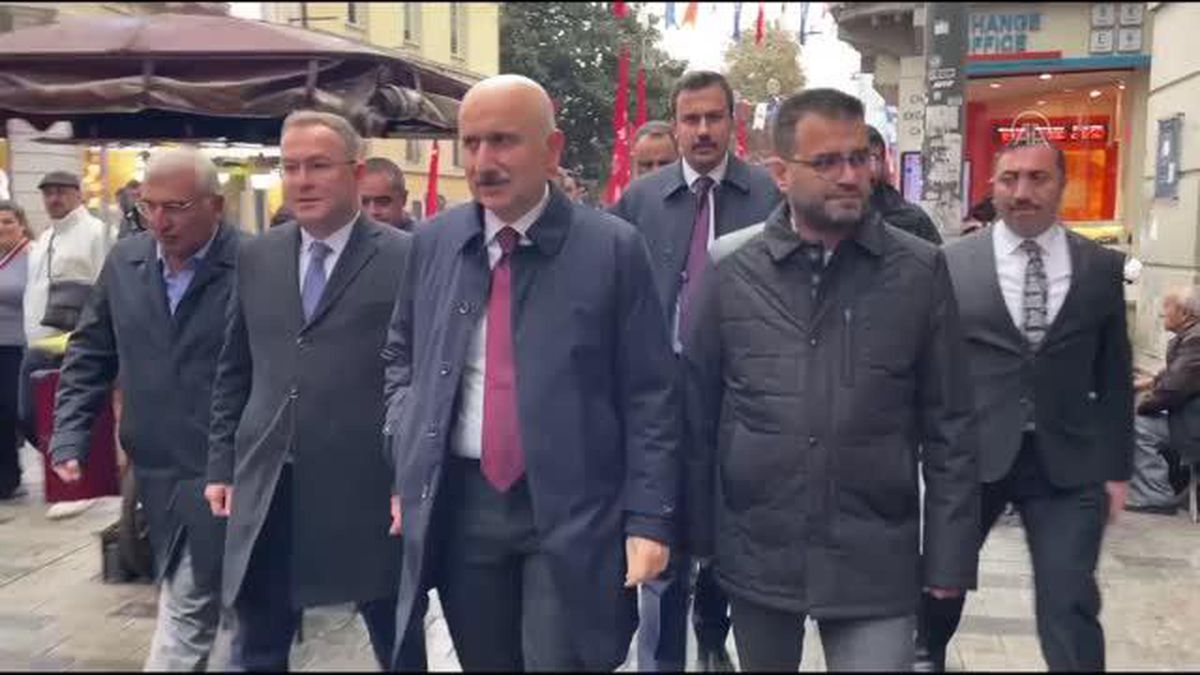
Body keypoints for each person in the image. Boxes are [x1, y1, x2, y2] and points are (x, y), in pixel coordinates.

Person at [384, 74, 677, 671]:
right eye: (471, 143)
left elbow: (652, 395)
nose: (484, 161)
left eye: (503, 141)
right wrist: (406, 446)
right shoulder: (434, 242)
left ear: (553, 149)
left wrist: (650, 520)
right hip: (465, 507)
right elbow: (401, 356)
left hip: (573, 511)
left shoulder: (613, 250)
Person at [681, 87, 978, 672]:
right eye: (827, 162)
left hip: (877, 554)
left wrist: (948, 560)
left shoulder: (919, 270)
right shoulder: (730, 269)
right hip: (758, 550)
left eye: (860, 157)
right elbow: (697, 412)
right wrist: (701, 542)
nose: (850, 175)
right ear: (781, 174)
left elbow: (951, 427)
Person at [205, 110, 426, 671]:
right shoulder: (257, 256)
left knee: (396, 640)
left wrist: (410, 476)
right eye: (291, 167)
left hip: (369, 487)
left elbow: (423, 375)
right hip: (271, 481)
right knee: (258, 641)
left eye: (318, 166)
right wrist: (221, 464)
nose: (302, 180)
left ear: (354, 173)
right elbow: (235, 367)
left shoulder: (406, 257)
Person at [925, 137, 1134, 671]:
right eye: (1009, 178)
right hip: (972, 458)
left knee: (1069, 602)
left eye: (1038, 178)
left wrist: (1117, 469)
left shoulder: (1100, 269)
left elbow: (1113, 372)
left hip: (1069, 464)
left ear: (1062, 185)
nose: (1022, 191)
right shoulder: (950, 264)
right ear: (992, 185)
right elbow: (928, 365)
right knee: (936, 592)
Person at [611, 70, 781, 673]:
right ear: (676, 123)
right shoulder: (640, 201)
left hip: (742, 399)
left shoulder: (769, 198)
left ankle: (715, 631)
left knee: (727, 536)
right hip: (659, 399)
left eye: (714, 117)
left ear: (732, 122)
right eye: (691, 118)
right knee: (661, 541)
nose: (702, 130)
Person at [48, 148, 239, 670]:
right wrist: (69, 436)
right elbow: (90, 352)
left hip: (228, 474)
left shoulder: (251, 264)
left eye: (175, 206)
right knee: (200, 610)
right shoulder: (126, 262)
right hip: (154, 475)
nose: (160, 221)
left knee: (198, 613)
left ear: (215, 205)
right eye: (148, 205)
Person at [22, 170, 112, 520]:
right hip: (39, 340)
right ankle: (63, 472)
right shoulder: (44, 238)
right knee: (31, 413)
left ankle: (78, 484)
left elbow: (105, 287)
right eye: (47, 193)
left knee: (67, 411)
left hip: (72, 341)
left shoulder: (96, 234)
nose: (53, 199)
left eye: (60, 192)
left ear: (77, 194)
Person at [1128, 286, 1200, 514]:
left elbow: (1172, 390)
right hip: (1190, 415)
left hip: (1193, 423)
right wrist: (1140, 386)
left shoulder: (1196, 340)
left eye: (1166, 306)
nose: (1161, 313)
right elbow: (1172, 375)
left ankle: (1154, 495)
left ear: (1185, 313)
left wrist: (1142, 405)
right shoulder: (1190, 337)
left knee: (1136, 424)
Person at [0, 201, 31, 500]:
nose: (2, 228)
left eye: (8, 221)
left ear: (21, 224)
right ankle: (6, 478)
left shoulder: (30, 255)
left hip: (19, 344)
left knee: (18, 410)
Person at [865, 125, 941, 244]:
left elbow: (937, 260)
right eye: (860, 159)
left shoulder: (912, 219)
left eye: (875, 158)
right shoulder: (832, 220)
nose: (872, 168)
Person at [361, 157, 415, 231]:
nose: (373, 211)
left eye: (382, 202)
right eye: (363, 202)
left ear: (403, 199)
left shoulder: (423, 240)